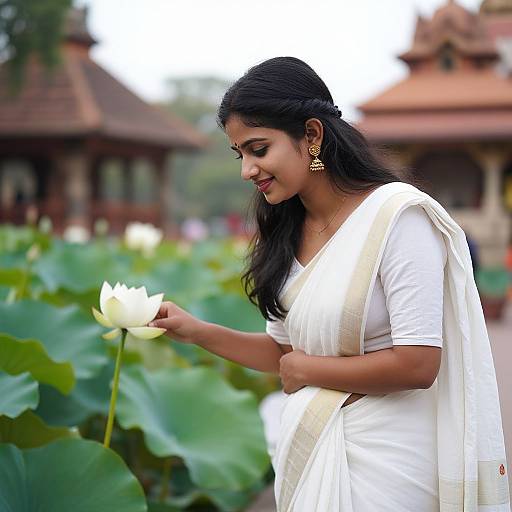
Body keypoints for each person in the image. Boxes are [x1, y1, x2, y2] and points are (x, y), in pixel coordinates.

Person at [148, 57, 509, 511]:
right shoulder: (286, 230)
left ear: (312, 135)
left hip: (390, 466)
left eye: (259, 149)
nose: (247, 170)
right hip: (314, 448)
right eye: (240, 154)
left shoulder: (397, 218)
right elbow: (286, 352)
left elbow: (418, 363)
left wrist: (310, 371)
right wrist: (194, 330)